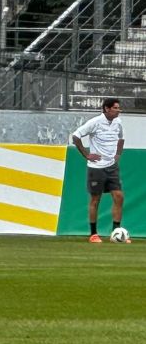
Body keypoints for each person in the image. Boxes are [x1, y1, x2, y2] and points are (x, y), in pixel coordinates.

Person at [71, 98, 127, 243]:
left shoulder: (118, 122)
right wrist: (87, 155)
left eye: (118, 108)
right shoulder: (95, 122)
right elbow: (76, 136)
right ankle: (93, 234)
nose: (118, 110)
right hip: (96, 168)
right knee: (96, 199)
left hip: (112, 166)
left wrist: (118, 155)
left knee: (119, 196)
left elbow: (121, 139)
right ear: (107, 109)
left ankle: (117, 232)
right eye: (115, 108)